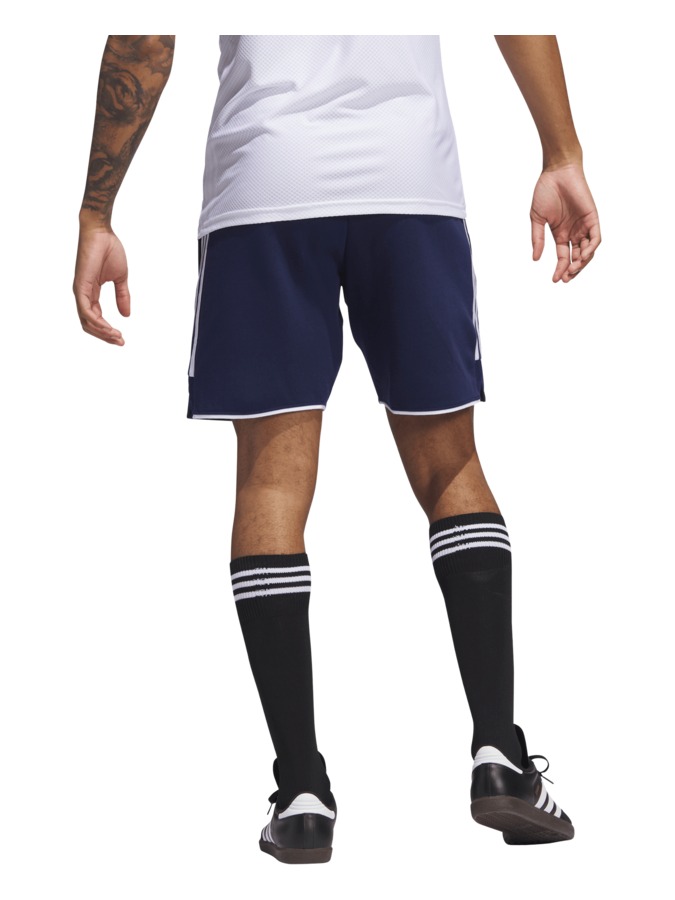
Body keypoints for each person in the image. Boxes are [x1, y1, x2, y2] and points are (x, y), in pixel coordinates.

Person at [73, 34, 601, 864]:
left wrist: (97, 212)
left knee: (270, 488)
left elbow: (145, 38)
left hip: (265, 180)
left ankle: (301, 792)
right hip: (407, 178)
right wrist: (560, 152)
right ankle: (498, 752)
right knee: (450, 465)